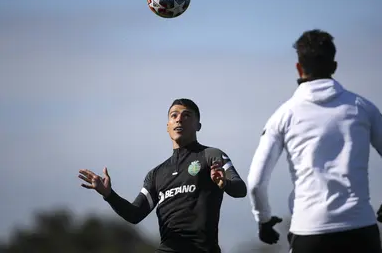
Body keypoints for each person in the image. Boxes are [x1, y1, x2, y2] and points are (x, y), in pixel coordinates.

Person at [247, 29, 382, 253]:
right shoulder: (363, 107)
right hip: (361, 231)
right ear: (334, 67)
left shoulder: (283, 116)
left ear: (299, 68)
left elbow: (255, 183)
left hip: (310, 233)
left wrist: (263, 219)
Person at [78, 98, 247, 253]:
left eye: (186, 115)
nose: (179, 119)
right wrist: (109, 194)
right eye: (174, 116)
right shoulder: (156, 174)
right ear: (168, 126)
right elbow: (134, 214)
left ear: (198, 125)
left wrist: (224, 183)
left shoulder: (211, 155)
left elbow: (240, 189)